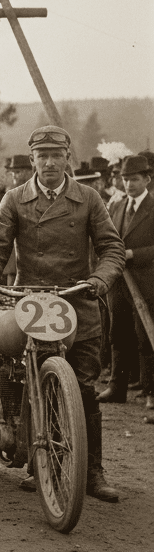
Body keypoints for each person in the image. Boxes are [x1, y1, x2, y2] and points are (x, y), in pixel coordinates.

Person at [0, 125, 125, 502]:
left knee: (85, 390)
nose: (50, 163)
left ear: (67, 159)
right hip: (33, 304)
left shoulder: (88, 198)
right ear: (32, 161)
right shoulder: (14, 199)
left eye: (57, 155)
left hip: (79, 305)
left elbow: (112, 249)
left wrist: (99, 279)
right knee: (31, 380)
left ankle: (93, 471)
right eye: (42, 156)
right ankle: (36, 461)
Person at [99, 155, 154, 410]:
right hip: (118, 281)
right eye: (125, 179)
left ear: (147, 179)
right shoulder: (117, 206)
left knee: (145, 337)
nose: (129, 184)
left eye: (134, 179)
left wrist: (135, 254)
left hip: (146, 282)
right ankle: (116, 387)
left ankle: (150, 391)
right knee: (117, 333)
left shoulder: (152, 207)